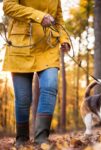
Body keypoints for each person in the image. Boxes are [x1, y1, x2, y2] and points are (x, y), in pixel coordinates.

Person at [3, 0, 70, 146]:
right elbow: (8, 6)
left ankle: (41, 138)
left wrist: (64, 39)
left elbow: (58, 18)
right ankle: (22, 139)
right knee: (23, 99)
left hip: (48, 45)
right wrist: (39, 16)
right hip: (21, 45)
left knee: (50, 86)